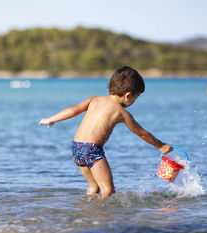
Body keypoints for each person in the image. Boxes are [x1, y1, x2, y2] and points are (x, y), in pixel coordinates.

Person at [39, 66, 172, 199]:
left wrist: (52, 119)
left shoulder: (94, 99)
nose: (134, 102)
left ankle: (85, 211)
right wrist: (160, 145)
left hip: (76, 148)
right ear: (128, 95)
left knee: (94, 186)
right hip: (92, 150)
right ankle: (101, 215)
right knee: (108, 190)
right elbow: (141, 133)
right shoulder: (122, 113)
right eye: (135, 98)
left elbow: (73, 110)